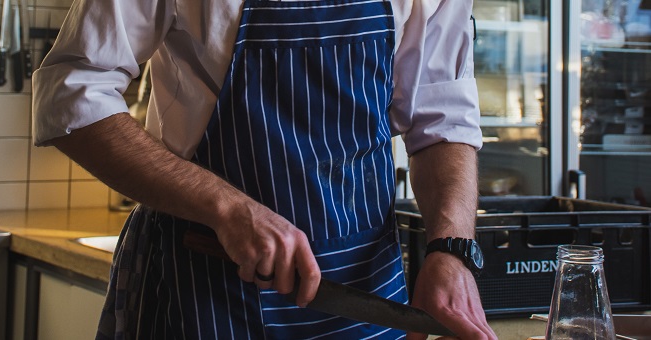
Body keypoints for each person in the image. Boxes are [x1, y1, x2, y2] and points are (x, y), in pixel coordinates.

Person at [32, 0, 497, 338]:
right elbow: (71, 92)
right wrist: (229, 208)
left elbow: (441, 118)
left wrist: (451, 249)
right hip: (205, 285)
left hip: (365, 296)